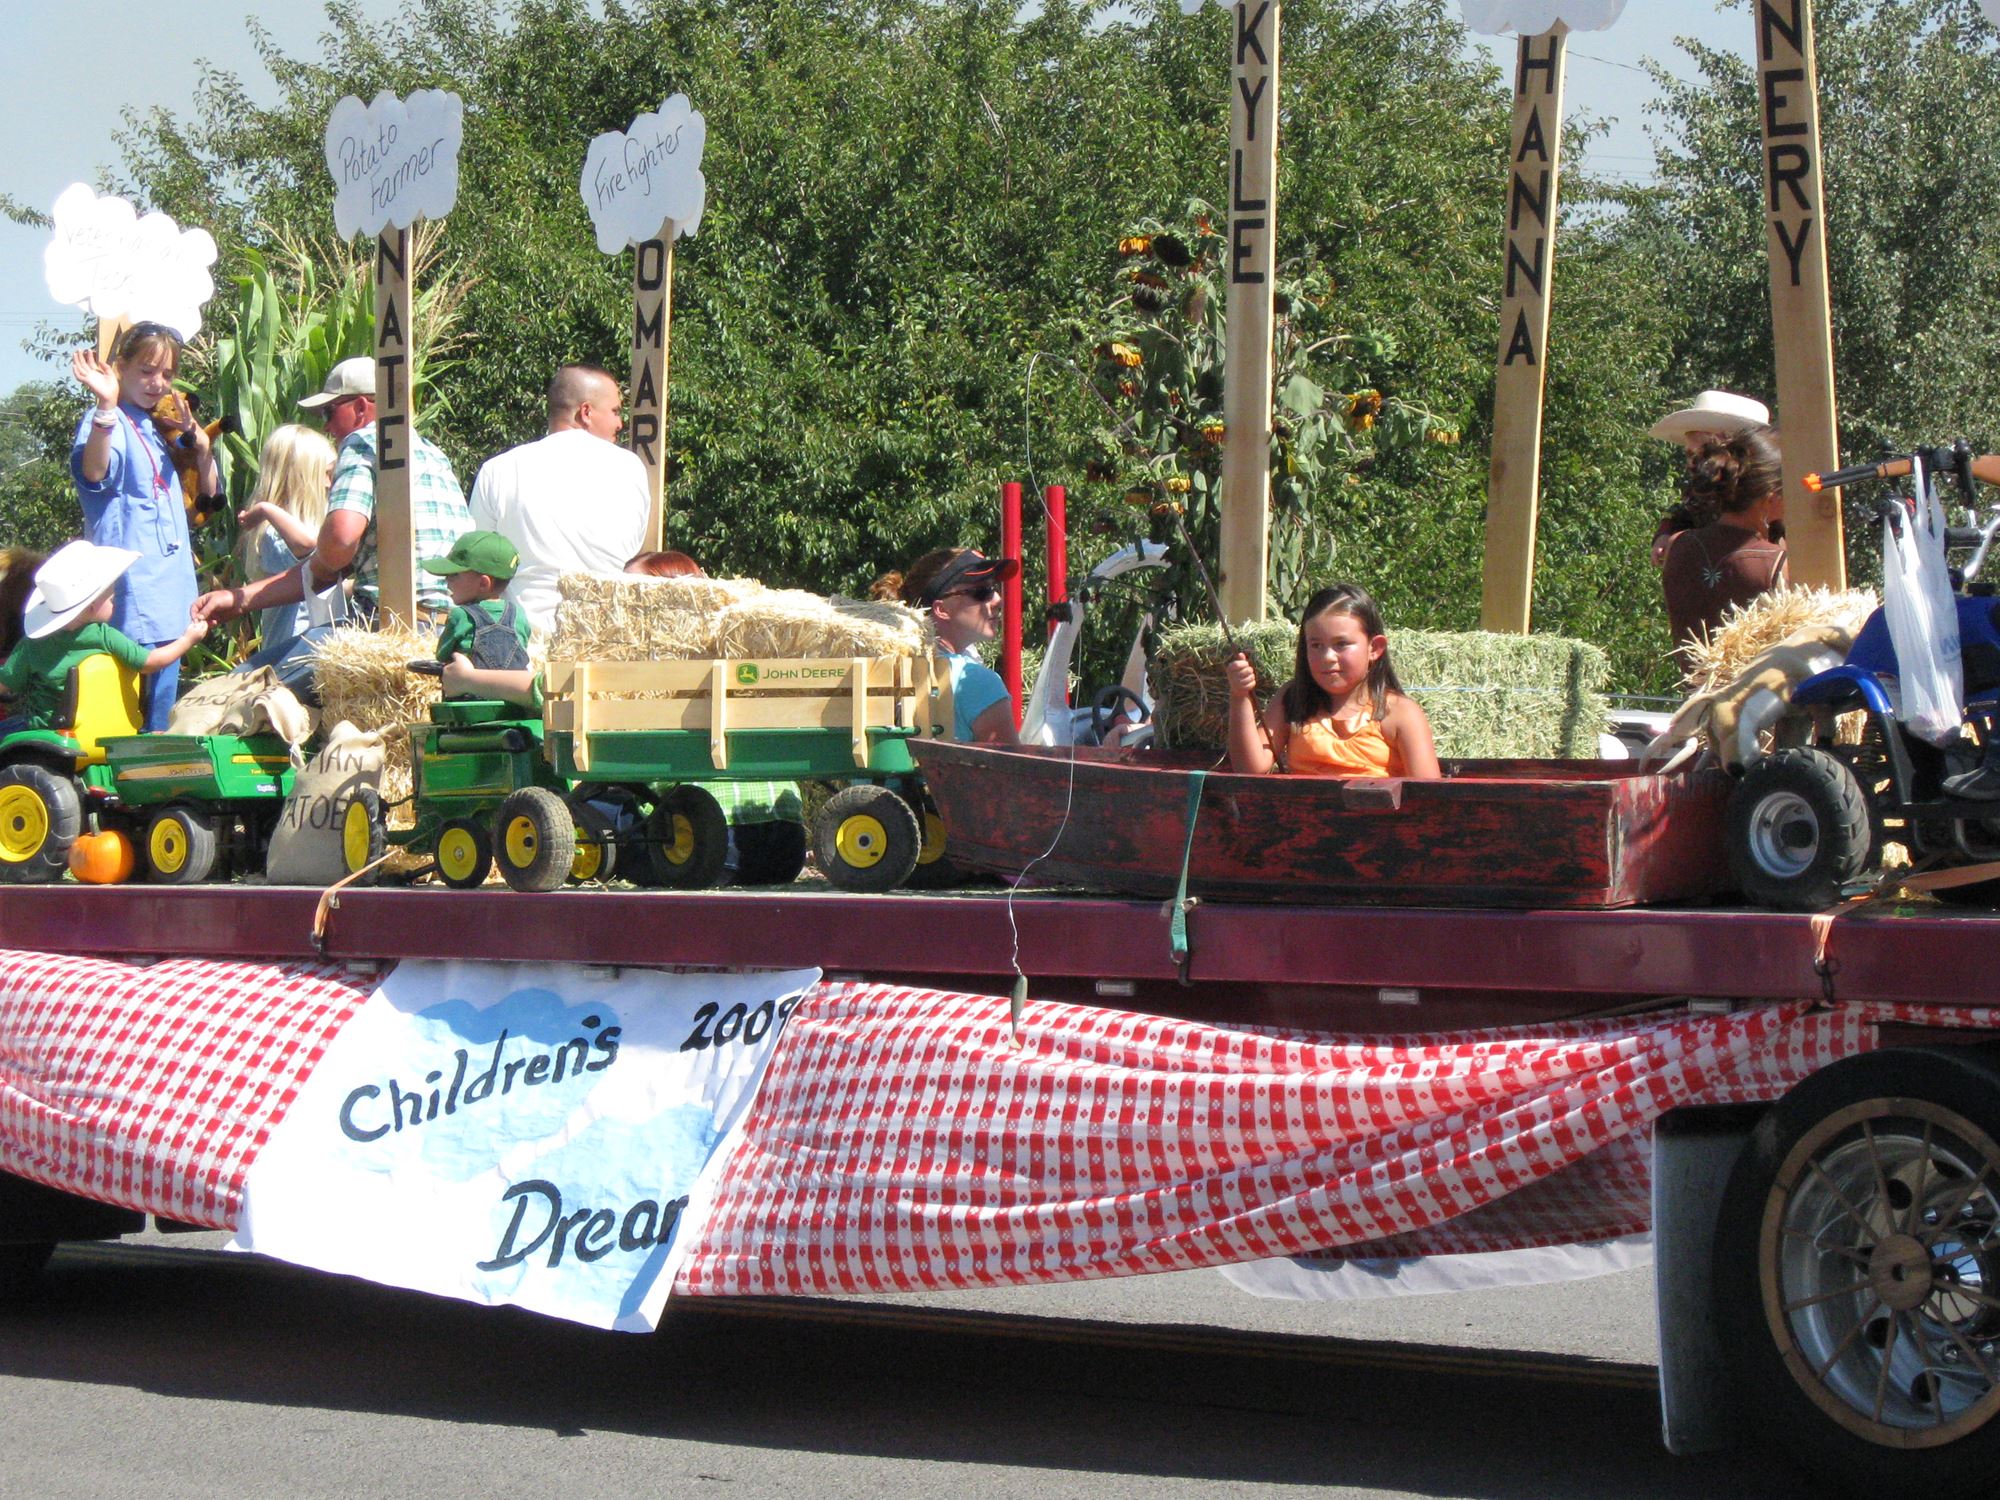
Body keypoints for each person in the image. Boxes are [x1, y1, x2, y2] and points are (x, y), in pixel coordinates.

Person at [192, 357, 471, 692]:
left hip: (382, 631)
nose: (327, 427)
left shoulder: (363, 442)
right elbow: (324, 566)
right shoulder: (434, 455)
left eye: (329, 412)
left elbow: (338, 542)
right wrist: (240, 599)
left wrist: (323, 566)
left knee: (233, 693)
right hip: (446, 633)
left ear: (360, 407)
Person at [69, 323, 217, 730]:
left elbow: (203, 503)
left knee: (161, 716)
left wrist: (202, 449)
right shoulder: (109, 419)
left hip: (172, 593)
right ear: (120, 367)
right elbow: (95, 472)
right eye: (146, 371)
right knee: (127, 717)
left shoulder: (156, 426)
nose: (158, 383)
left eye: (167, 375)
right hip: (134, 598)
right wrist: (104, 406)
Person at [468, 364, 651, 635]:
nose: (620, 423)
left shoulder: (499, 469)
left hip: (523, 640)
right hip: (604, 636)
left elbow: (477, 558)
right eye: (615, 411)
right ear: (586, 412)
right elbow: (634, 556)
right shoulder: (630, 467)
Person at [1225, 582, 1439, 779]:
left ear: (1374, 648)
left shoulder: (1401, 712)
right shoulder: (1293, 698)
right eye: (1316, 645)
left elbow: (1429, 799)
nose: (1327, 657)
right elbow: (1249, 767)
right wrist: (1240, 696)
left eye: (1341, 644)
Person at [0, 541, 206, 736]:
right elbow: (151, 662)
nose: (116, 602)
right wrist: (187, 639)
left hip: (47, 731)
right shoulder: (107, 638)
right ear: (90, 606)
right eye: (111, 598)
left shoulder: (32, 645)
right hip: (103, 731)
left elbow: (5, 684)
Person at [1661, 425, 1789, 676]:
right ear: (1771, 498)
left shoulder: (1678, 545)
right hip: (1758, 710)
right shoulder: (1777, 563)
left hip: (1695, 707)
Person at [883, 547, 1020, 744]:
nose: (998, 600)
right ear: (942, 609)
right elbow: (1012, 772)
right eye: (982, 591)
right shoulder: (975, 680)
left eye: (995, 588)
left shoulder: (882, 668)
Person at [234, 424, 337, 664]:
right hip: (290, 654)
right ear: (303, 476)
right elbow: (308, 546)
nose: (330, 484)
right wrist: (266, 509)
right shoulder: (270, 533)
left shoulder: (320, 522)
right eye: (327, 473)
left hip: (320, 650)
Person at [1648, 390, 1774, 567]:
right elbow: (1681, 513)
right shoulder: (1699, 493)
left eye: (1698, 455)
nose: (1691, 464)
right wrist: (1665, 535)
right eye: (1689, 455)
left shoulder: (1774, 495)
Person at [422, 530, 533, 685]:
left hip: (468, 699)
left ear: (483, 583)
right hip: (513, 699)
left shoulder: (460, 615)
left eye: (454, 574)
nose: (447, 580)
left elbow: (441, 655)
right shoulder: (518, 614)